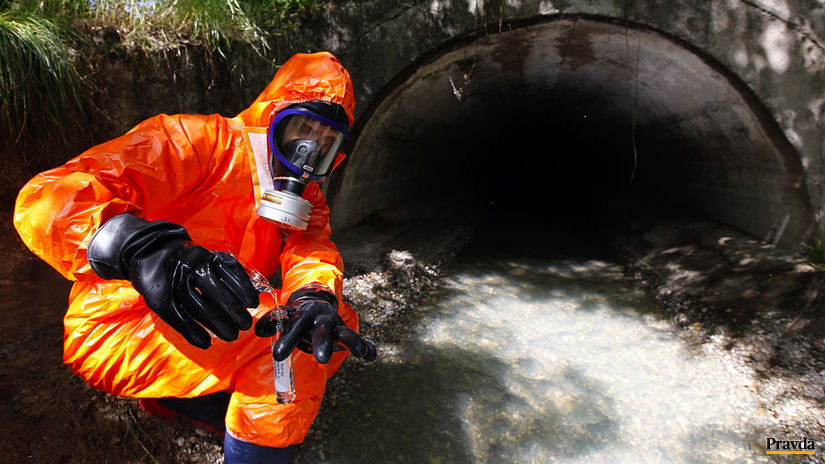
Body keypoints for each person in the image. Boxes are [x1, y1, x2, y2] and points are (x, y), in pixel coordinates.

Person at [13, 51, 376, 463]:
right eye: (303, 131)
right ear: (274, 115)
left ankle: (196, 403)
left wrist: (314, 294)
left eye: (326, 146)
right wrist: (138, 248)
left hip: (212, 312)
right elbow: (46, 196)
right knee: (287, 346)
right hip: (120, 324)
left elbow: (310, 245)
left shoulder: (303, 192)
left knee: (330, 324)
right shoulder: (195, 142)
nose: (308, 154)